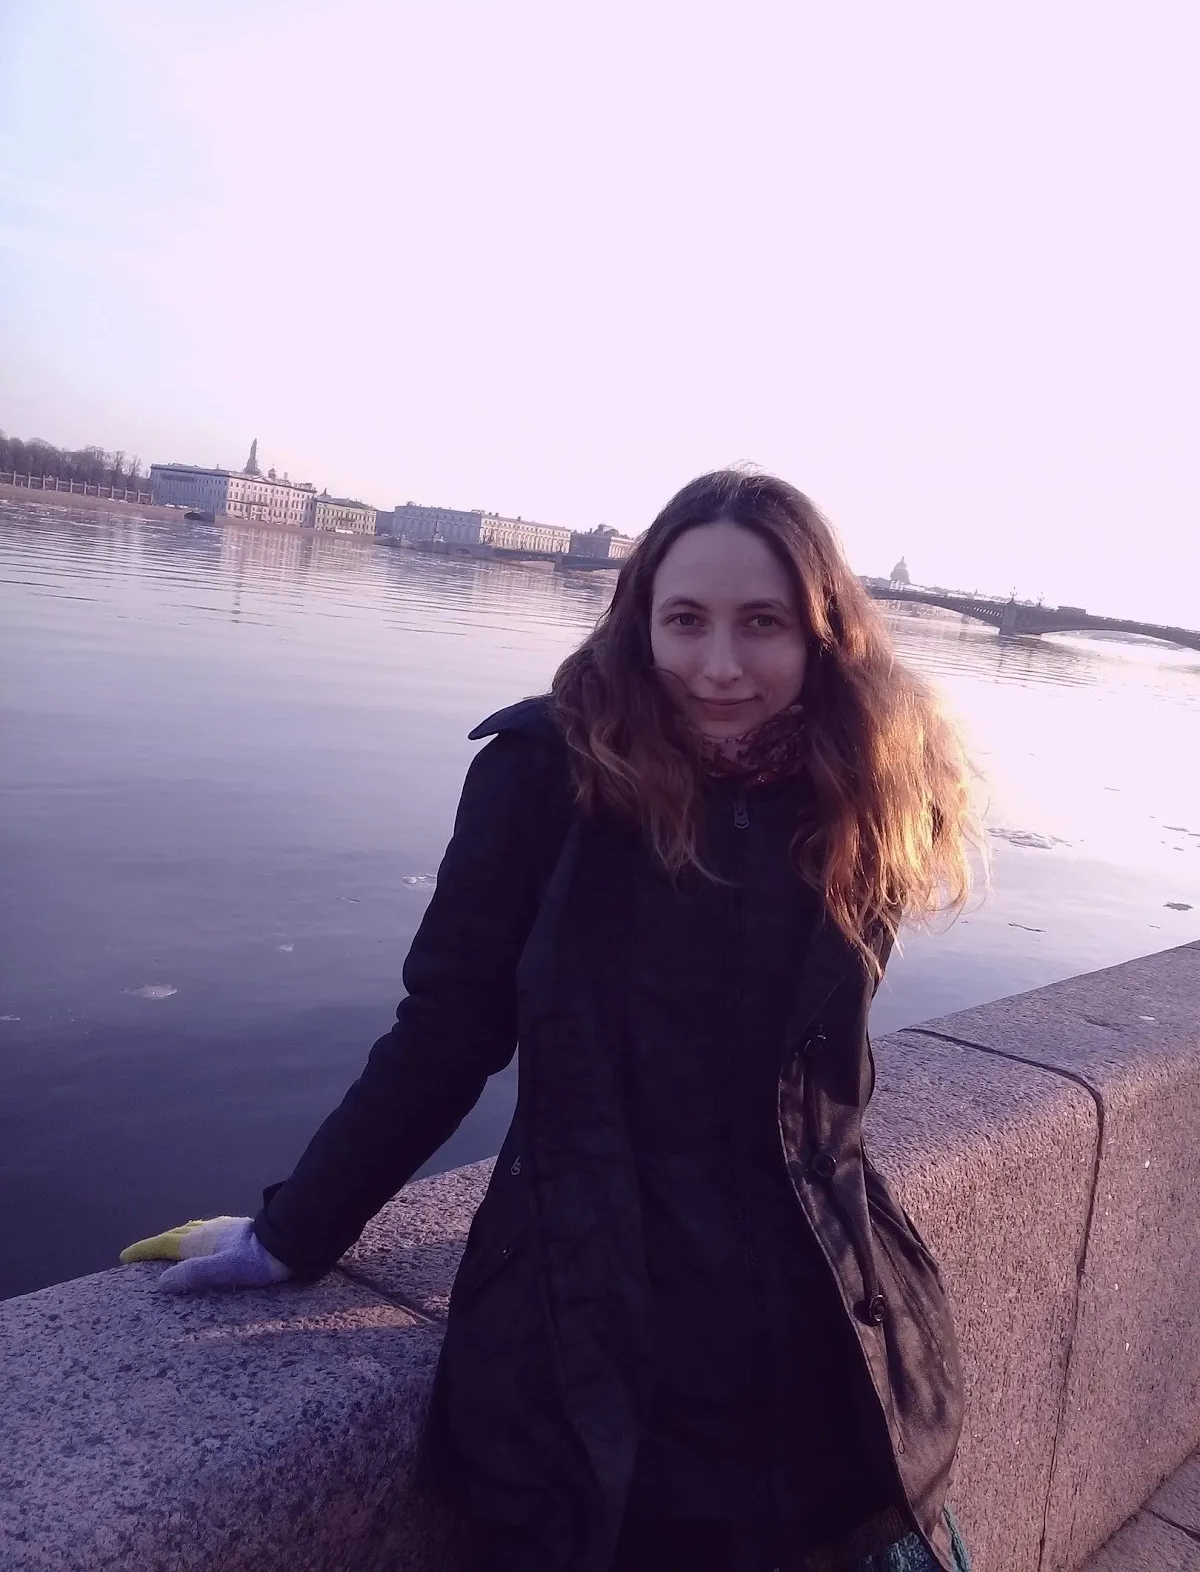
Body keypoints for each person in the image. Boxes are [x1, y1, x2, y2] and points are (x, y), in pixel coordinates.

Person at [122, 469, 979, 1572]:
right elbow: (446, 1033)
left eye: (762, 623)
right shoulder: (548, 775)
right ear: (640, 622)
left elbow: (818, 1095)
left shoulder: (864, 789)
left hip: (820, 1309)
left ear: (822, 636)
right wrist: (294, 1231)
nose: (719, 666)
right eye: (687, 621)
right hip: (590, 1294)